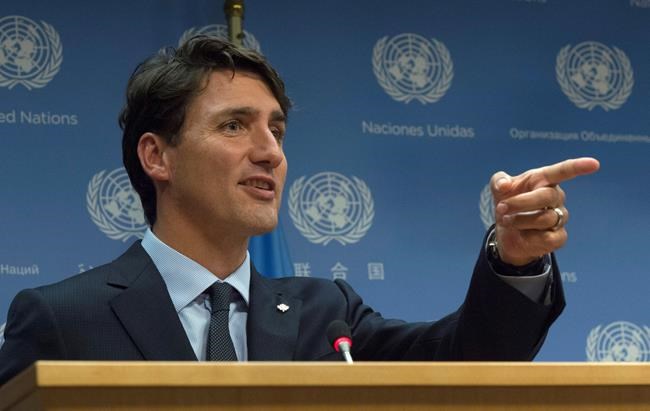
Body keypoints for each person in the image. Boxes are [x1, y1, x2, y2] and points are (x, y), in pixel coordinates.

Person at [0, 36, 599, 385]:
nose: (270, 152)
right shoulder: (61, 320)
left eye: (277, 131)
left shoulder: (326, 315)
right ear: (157, 156)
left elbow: (465, 362)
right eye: (234, 126)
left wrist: (515, 260)